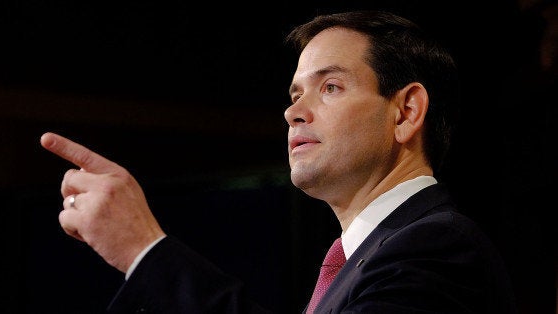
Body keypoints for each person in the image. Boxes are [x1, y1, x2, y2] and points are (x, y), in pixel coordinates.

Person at [40, 10, 518, 313]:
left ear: (406, 111)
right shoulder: (370, 256)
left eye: (330, 87)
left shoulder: (437, 248)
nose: (293, 111)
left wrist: (144, 251)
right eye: (295, 94)